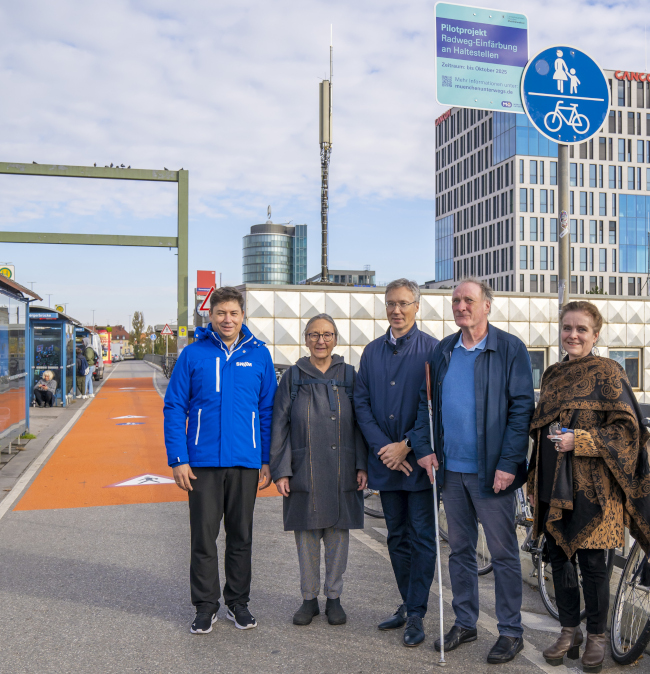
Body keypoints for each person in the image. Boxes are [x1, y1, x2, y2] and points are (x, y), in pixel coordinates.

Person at [410, 278, 534, 664]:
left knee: (503, 554)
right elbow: (424, 405)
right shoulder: (443, 351)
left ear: (487, 306)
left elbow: (520, 412)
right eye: (456, 300)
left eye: (469, 300)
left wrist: (509, 464)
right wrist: (425, 449)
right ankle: (465, 621)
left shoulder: (509, 349)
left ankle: (511, 631)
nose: (461, 306)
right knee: (460, 550)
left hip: (492, 474)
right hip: (451, 472)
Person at [528, 301, 650, 672]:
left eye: (581, 329)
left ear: (595, 334)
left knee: (594, 567)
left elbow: (628, 431)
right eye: (567, 328)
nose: (573, 335)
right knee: (559, 561)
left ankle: (596, 636)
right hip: (552, 487)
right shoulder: (551, 375)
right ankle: (569, 631)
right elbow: (539, 433)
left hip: (597, 493)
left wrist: (579, 440)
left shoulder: (609, 373)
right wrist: (533, 482)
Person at [164, 286, 277, 635]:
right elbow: (174, 406)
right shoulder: (193, 354)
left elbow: (268, 410)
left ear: (243, 316)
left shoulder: (259, 355)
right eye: (221, 313)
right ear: (210, 316)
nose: (227, 319)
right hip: (202, 462)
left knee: (241, 536)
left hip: (245, 460)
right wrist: (178, 457)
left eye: (234, 313)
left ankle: (238, 603)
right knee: (203, 536)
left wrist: (266, 459)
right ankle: (205, 606)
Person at [354, 278, 439, 647]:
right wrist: (384, 448)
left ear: (417, 307)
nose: (397, 310)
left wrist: (406, 446)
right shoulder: (371, 352)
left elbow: (435, 409)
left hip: (418, 464)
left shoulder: (433, 351)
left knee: (422, 537)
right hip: (386, 463)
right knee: (396, 537)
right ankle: (408, 604)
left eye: (404, 303)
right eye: (391, 303)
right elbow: (362, 404)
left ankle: (417, 613)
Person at [270, 314, 368, 627]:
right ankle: (309, 599)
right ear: (305, 338)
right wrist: (281, 470)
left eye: (326, 334)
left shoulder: (350, 375)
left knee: (339, 538)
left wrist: (362, 464)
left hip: (342, 467)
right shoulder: (293, 377)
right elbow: (279, 426)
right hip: (304, 468)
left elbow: (361, 424)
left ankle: (335, 598)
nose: (320, 341)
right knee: (307, 538)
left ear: (336, 338)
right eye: (314, 335)